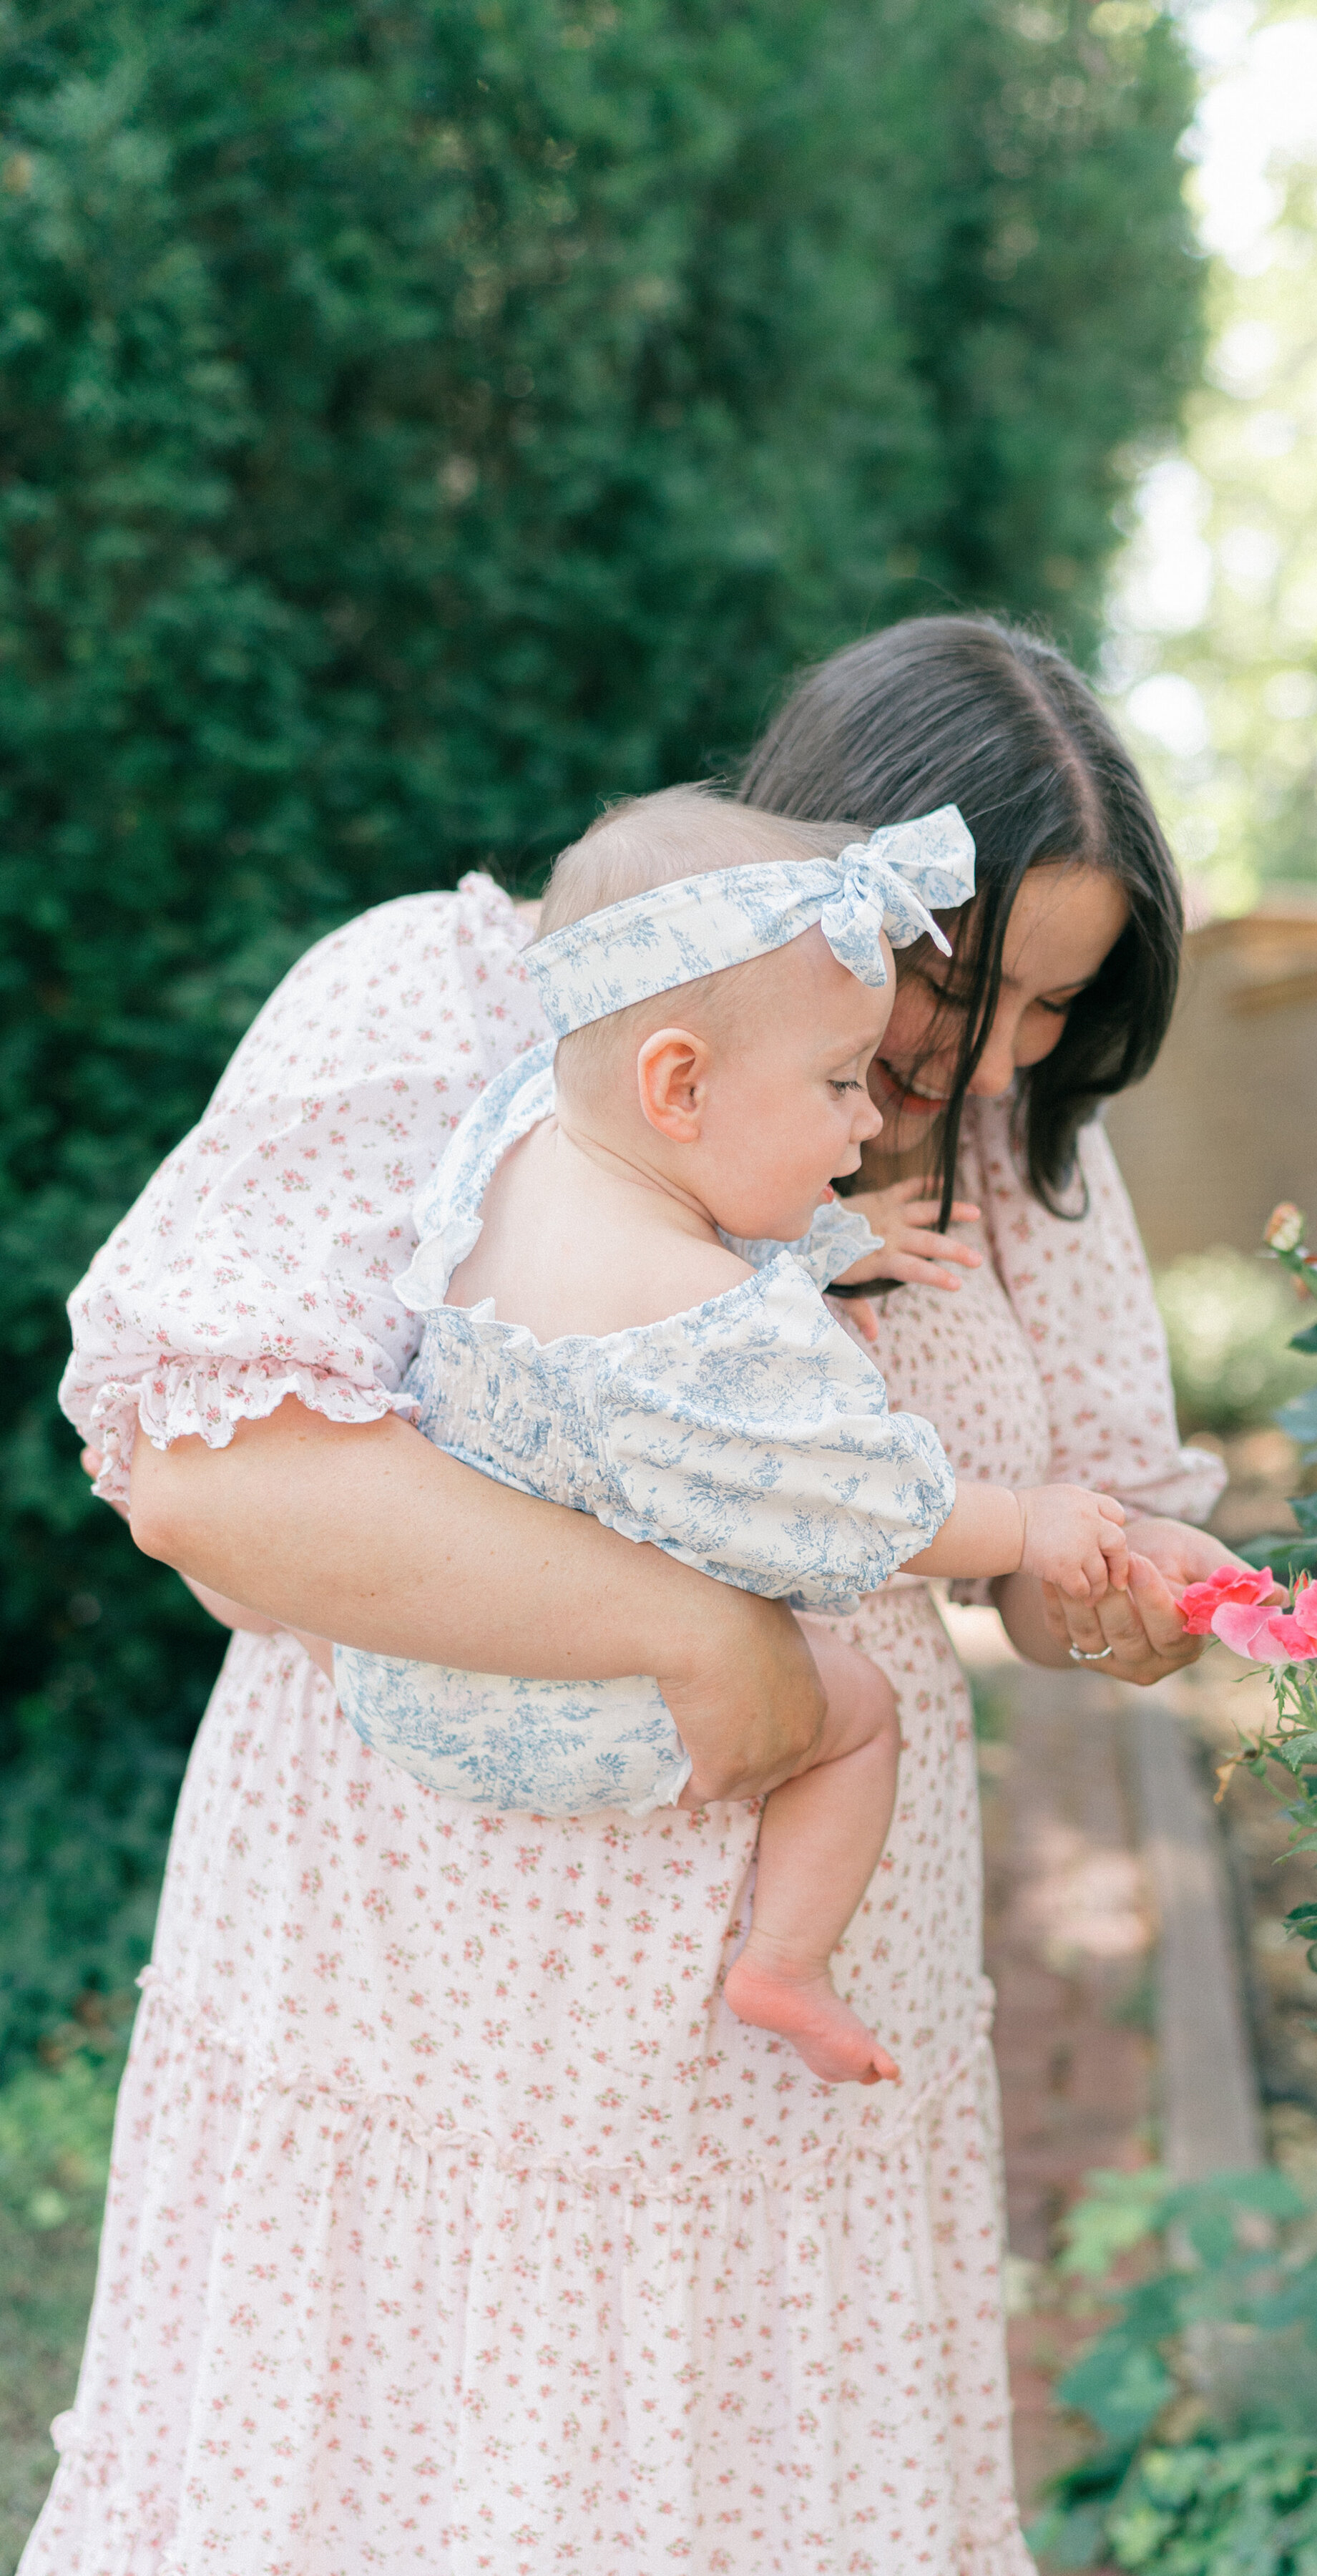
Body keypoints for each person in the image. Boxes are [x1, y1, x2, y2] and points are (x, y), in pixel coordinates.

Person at [35, 615, 1238, 2576]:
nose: (998, 1060)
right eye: (978, 983)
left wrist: (1149, 1596)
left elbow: (1060, 1583)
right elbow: (211, 1481)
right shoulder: (452, 1000)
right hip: (426, 2032)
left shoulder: (1013, 1163)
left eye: (1056, 1012)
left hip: (788, 2079)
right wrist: (707, 1642)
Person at [336, 786, 1144, 2089]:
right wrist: (1029, 1523)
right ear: (678, 1081)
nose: (870, 1122)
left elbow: (694, 1206)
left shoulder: (522, 1132)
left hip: (396, 1660)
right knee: (858, 1708)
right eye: (837, 1083)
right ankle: (786, 1961)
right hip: (525, 1709)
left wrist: (830, 1239)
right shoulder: (707, 1323)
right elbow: (857, 1505)